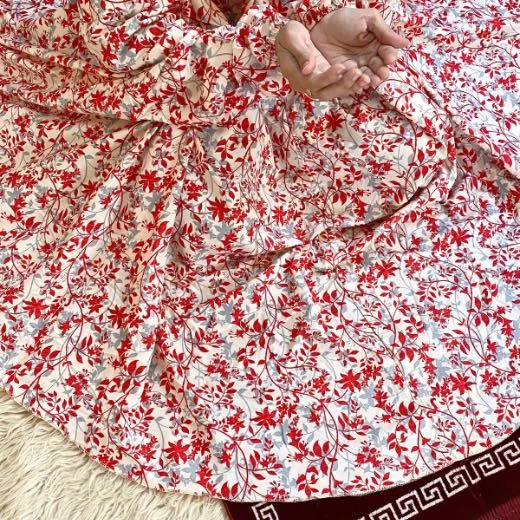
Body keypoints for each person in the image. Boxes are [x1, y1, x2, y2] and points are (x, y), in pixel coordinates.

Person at [0, 0, 518, 504]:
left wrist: (326, 24)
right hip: (173, 69)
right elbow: (118, 43)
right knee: (215, 200)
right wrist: (262, 53)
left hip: (299, 45)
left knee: (401, 139)